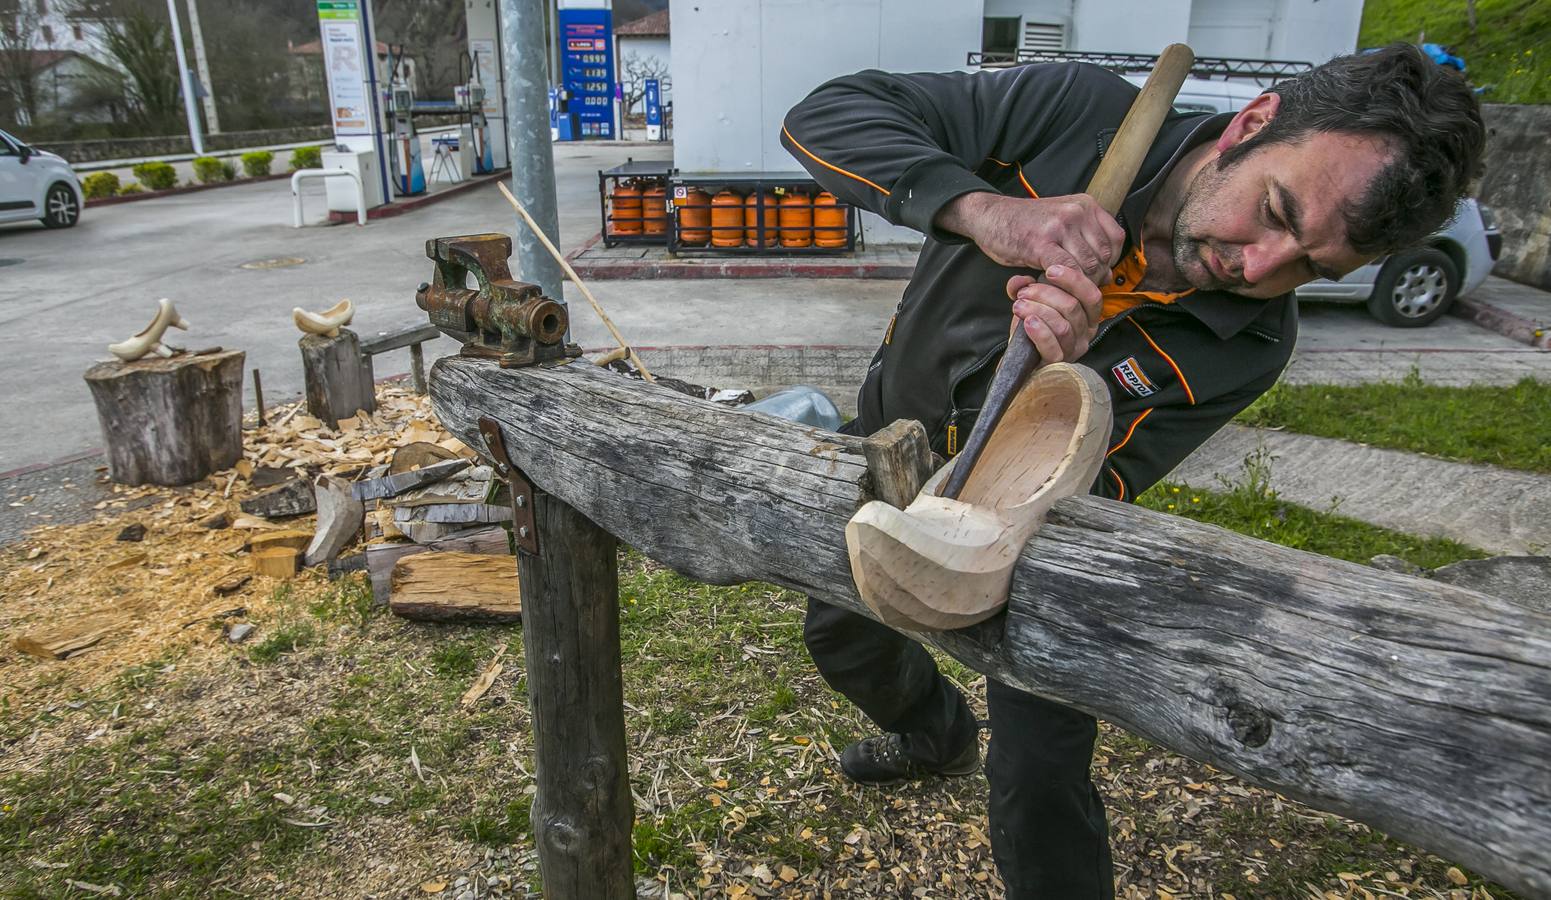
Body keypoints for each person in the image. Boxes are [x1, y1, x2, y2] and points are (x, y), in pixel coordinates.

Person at [780, 43, 1484, 899]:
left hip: (1037, 531)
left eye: (1311, 268)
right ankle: (934, 738)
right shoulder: (1072, 113)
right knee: (840, 632)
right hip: (887, 447)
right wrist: (983, 211)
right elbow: (828, 114)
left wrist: (1055, 386)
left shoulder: (1252, 343)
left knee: (1041, 766)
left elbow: (1101, 481)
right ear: (1253, 124)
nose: (1259, 268)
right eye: (1274, 210)